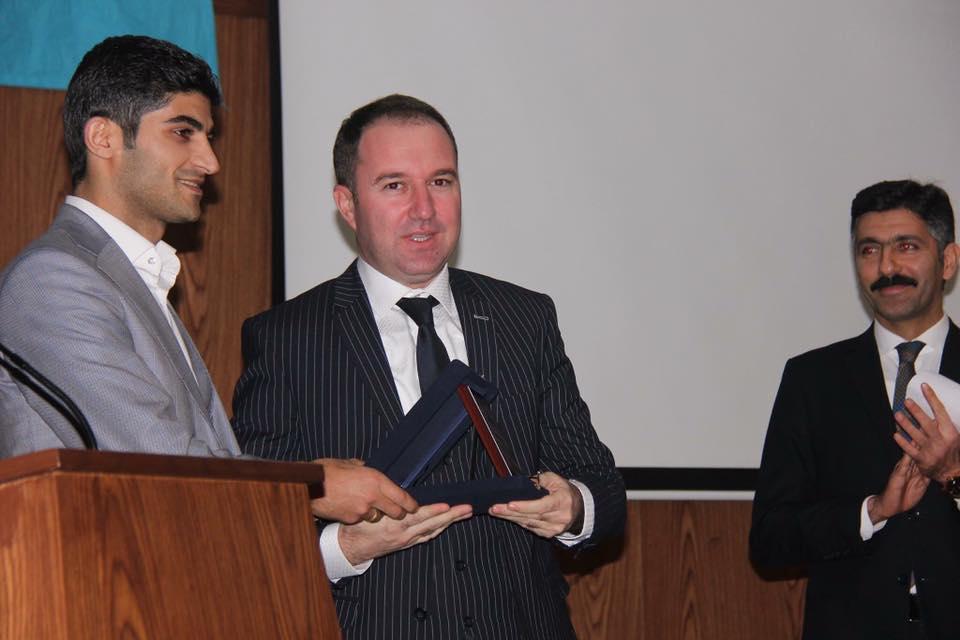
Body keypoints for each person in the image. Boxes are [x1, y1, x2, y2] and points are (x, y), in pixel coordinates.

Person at [232, 94, 626, 639]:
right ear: (347, 205)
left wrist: (574, 507)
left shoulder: (524, 317)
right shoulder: (285, 337)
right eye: (395, 185)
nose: (424, 209)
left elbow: (602, 488)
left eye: (441, 182)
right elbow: (251, 524)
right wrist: (348, 547)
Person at [0, 35, 415, 525]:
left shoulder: (130, 277)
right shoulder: (54, 278)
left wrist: (337, 528)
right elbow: (156, 461)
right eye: (183, 132)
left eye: (208, 136)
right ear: (103, 138)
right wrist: (314, 485)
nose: (210, 162)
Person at [750, 179, 960, 640]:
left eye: (906, 246)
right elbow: (769, 538)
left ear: (948, 260)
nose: (887, 267)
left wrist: (952, 475)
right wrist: (871, 511)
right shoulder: (812, 379)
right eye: (869, 250)